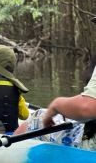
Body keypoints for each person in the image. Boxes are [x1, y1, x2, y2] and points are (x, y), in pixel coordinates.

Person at [14, 17, 96, 151]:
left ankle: (3, 154)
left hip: (91, 147)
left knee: (38, 117)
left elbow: (88, 107)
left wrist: (56, 105)